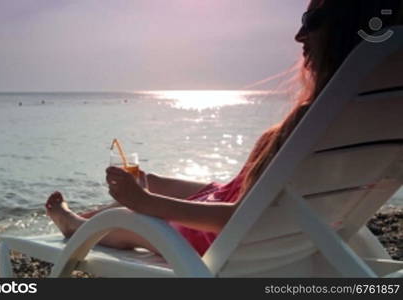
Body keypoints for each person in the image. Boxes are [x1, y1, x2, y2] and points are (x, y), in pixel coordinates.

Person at [45, 0, 403, 256]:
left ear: (349, 25)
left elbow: (238, 219)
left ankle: (75, 226)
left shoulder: (314, 119)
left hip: (223, 237)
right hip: (280, 226)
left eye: (313, 20)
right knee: (149, 183)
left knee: (125, 219)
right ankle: (86, 217)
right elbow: (258, 201)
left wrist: (146, 203)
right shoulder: (361, 118)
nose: (298, 36)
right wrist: (151, 190)